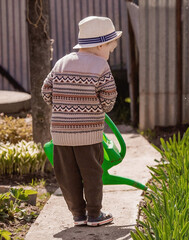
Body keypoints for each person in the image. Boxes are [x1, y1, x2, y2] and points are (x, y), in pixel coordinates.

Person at [41, 16, 121, 227]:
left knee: (68, 175)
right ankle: (94, 215)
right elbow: (109, 97)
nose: (109, 54)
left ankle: (78, 215)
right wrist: (98, 108)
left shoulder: (62, 62)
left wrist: (62, 107)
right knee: (92, 173)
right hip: (88, 134)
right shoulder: (101, 66)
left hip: (61, 134)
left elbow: (46, 90)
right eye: (110, 49)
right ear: (101, 44)